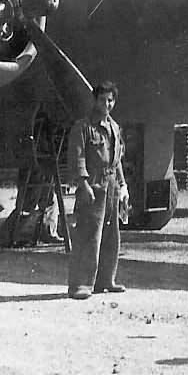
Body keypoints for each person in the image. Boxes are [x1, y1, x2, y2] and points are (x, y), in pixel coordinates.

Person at [66, 81, 129, 299]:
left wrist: (123, 186)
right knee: (88, 234)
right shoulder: (83, 127)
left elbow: (117, 159)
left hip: (111, 185)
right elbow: (78, 157)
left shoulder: (114, 127)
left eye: (110, 100)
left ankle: (106, 280)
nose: (107, 104)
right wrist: (83, 185)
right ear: (95, 100)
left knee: (111, 235)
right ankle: (80, 285)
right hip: (93, 184)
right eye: (102, 99)